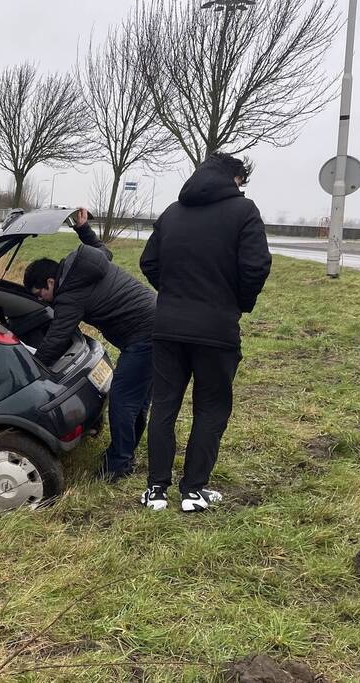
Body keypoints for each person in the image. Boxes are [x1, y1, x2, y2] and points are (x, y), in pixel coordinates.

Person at [139, 152, 271, 512]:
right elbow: (257, 266)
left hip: (167, 327)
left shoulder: (171, 212)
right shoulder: (244, 212)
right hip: (216, 328)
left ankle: (156, 490)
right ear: (235, 178)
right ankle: (193, 491)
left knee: (164, 406)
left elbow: (148, 262)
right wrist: (238, 303)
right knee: (210, 408)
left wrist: (173, 294)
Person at [23, 208, 157, 482]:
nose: (43, 301)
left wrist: (31, 368)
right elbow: (100, 250)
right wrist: (83, 229)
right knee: (138, 398)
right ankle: (125, 453)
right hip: (159, 323)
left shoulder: (69, 293)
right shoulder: (80, 266)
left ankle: (119, 466)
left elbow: (57, 337)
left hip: (145, 336)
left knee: (122, 400)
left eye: (41, 294)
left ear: (51, 281)